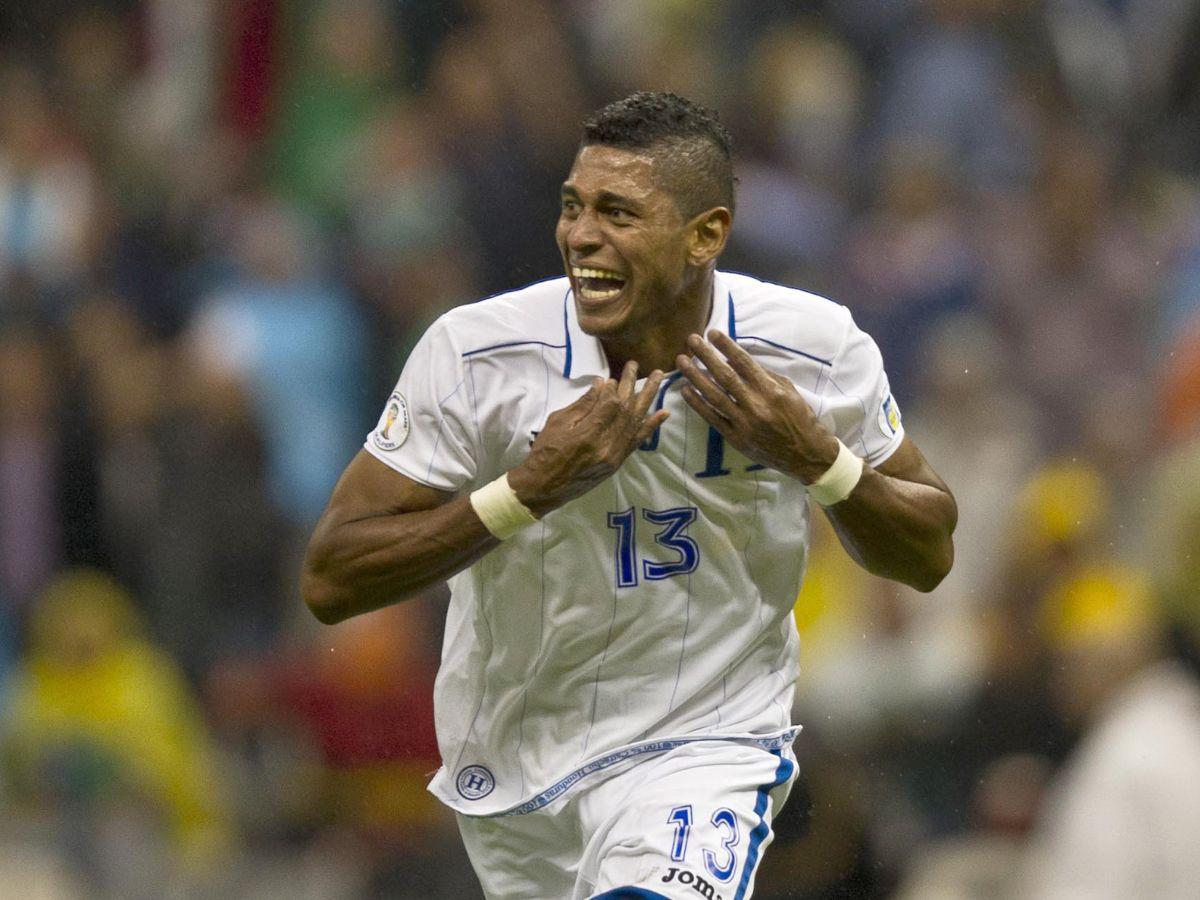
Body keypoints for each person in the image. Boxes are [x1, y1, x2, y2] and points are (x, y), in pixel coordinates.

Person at [302, 91, 957, 900]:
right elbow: (332, 577)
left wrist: (818, 459)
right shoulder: (476, 357)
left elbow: (930, 550)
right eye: (572, 207)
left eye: (617, 212)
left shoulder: (811, 349)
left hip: (707, 744)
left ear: (705, 235)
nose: (580, 235)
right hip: (519, 763)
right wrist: (527, 492)